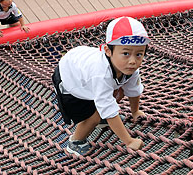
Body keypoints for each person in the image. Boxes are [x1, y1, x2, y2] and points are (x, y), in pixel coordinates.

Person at [52, 16, 150, 156]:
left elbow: (133, 91)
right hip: (70, 80)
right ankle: (75, 141)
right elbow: (107, 107)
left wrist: (135, 111)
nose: (133, 61)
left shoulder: (129, 68)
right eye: (126, 53)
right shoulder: (100, 73)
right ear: (108, 51)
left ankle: (104, 119)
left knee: (116, 94)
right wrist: (128, 141)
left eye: (139, 54)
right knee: (94, 116)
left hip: (84, 69)